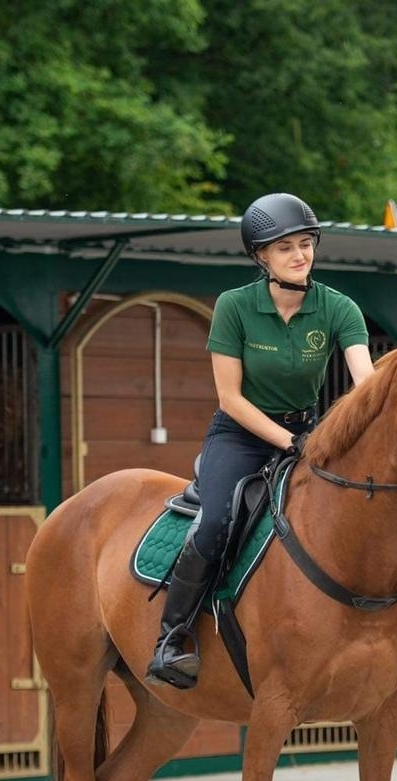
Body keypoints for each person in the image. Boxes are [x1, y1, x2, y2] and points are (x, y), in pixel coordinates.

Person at [145, 192, 374, 689]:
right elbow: (230, 398)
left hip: (309, 431)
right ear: (260, 257)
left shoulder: (339, 308)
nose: (300, 255)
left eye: (306, 244)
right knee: (214, 525)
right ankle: (172, 636)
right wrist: (291, 441)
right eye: (285, 247)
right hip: (242, 433)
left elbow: (367, 385)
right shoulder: (234, 307)